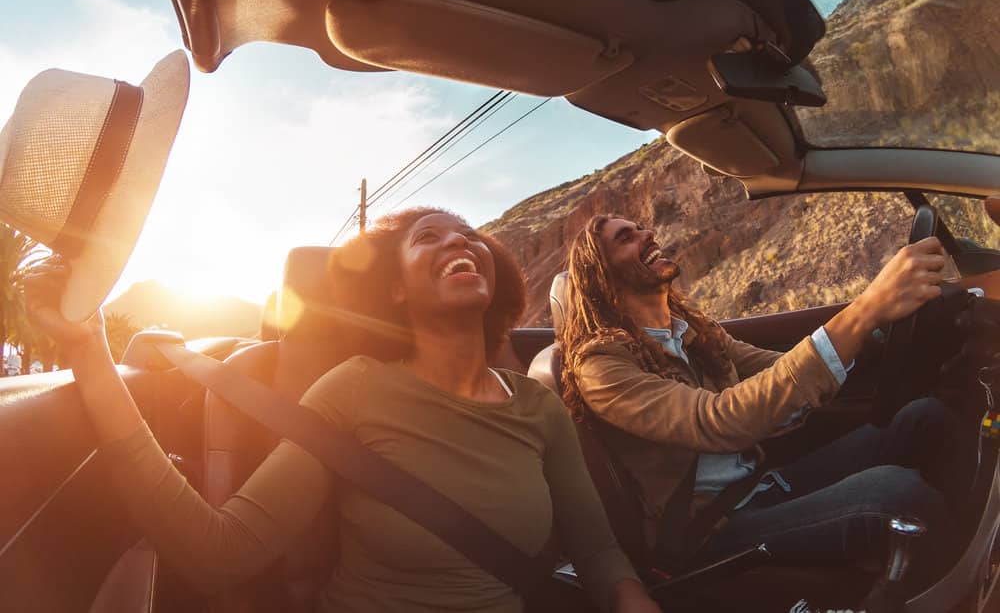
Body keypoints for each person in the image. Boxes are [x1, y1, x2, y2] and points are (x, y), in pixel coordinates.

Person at [24, 208, 660, 613]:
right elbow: (220, 550)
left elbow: (600, 556)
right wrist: (87, 347)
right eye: (428, 238)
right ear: (394, 288)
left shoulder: (537, 407)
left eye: (467, 234)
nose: (457, 242)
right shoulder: (352, 390)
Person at [560, 214, 965, 575]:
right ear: (601, 276)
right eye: (624, 238)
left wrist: (870, 332)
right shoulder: (601, 367)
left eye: (640, 227)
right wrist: (865, 309)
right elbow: (719, 421)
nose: (647, 234)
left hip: (761, 482)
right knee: (897, 495)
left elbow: (780, 368)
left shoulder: (690, 331)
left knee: (922, 419)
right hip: (710, 527)